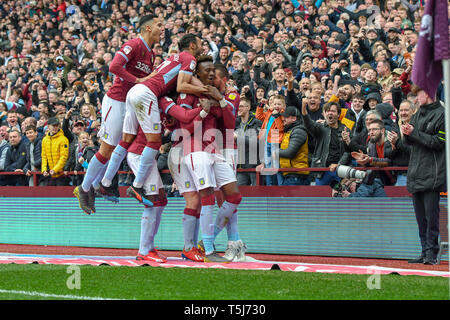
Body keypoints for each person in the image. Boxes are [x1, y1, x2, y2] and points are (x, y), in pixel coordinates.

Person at [99, 33, 209, 207]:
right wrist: (208, 95)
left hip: (134, 92)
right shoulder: (189, 57)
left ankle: (105, 183)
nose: (203, 46)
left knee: (125, 138)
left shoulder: (174, 57)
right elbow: (182, 85)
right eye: (201, 43)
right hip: (146, 94)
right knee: (155, 140)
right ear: (193, 45)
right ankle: (137, 185)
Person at [74, 15, 164, 215]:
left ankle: (99, 184)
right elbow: (114, 66)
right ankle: (84, 188)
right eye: (159, 25)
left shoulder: (151, 54)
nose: (162, 28)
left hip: (131, 102)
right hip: (116, 100)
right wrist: (137, 80)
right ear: (147, 28)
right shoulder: (134, 44)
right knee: (107, 148)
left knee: (125, 142)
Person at [404, 87, 446, 265]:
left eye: (418, 95)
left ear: (427, 94)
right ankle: (424, 251)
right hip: (416, 172)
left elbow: (439, 142)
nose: (415, 99)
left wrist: (413, 133)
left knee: (431, 218)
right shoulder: (418, 113)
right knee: (421, 219)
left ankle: (432, 253)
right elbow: (409, 143)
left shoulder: (443, 114)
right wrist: (406, 133)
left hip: (432, 174)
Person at [301, 100, 350, 186]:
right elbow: (308, 124)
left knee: (341, 196)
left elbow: (348, 151)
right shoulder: (320, 128)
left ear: (338, 114)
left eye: (333, 111)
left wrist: (338, 165)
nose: (330, 113)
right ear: (324, 114)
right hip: (322, 171)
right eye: (327, 111)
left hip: (340, 171)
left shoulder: (345, 130)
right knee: (320, 197)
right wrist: (304, 109)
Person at [348, 119, 396, 197]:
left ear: (382, 130)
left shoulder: (391, 142)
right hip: (380, 180)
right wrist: (364, 160)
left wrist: (370, 160)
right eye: (369, 130)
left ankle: (350, 197)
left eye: (374, 129)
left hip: (394, 178)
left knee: (367, 188)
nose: (371, 132)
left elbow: (389, 161)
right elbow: (370, 165)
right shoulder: (371, 144)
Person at [278, 106, 310, 186]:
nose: (283, 118)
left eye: (286, 116)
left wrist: (274, 152)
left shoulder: (298, 131)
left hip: (296, 176)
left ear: (294, 119)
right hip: (290, 174)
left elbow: (290, 153)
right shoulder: (289, 131)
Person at [235, 97, 262, 186]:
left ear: (248, 108)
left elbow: (257, 143)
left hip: (254, 166)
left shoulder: (257, 123)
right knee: (241, 195)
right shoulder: (235, 124)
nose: (239, 108)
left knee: (256, 194)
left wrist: (238, 138)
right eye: (238, 106)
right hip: (240, 166)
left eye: (242, 106)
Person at [41, 117, 70, 187]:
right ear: (48, 126)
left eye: (57, 125)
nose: (55, 127)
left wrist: (55, 169)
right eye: (53, 125)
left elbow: (64, 157)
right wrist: (44, 170)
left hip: (62, 174)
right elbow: (44, 156)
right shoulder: (45, 140)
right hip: (50, 174)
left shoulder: (63, 139)